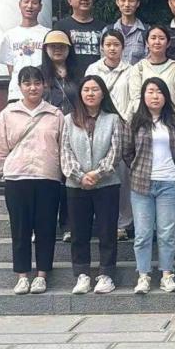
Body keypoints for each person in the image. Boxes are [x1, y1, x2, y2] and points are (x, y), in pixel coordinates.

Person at [0, 66, 64, 295]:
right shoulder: (8, 114)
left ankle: (42, 275)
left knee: (46, 228)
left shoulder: (55, 115)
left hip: (47, 178)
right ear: (19, 86)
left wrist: (59, 171)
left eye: (37, 83)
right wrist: (8, 168)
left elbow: (64, 147)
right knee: (20, 229)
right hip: (17, 178)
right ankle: (22, 275)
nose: (33, 88)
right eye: (27, 83)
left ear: (44, 85)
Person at [122, 77, 175, 294]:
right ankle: (143, 275)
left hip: (167, 182)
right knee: (142, 233)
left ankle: (167, 275)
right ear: (143, 96)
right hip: (141, 184)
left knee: (166, 232)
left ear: (166, 96)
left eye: (159, 92)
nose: (155, 96)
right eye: (150, 91)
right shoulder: (135, 121)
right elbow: (127, 151)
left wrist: (172, 169)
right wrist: (138, 168)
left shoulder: (174, 121)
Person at [61, 75, 122, 295]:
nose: (90, 93)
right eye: (86, 89)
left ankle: (106, 274)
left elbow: (115, 151)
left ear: (103, 93)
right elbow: (65, 151)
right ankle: (82, 274)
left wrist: (97, 174)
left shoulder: (113, 119)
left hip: (107, 185)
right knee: (79, 232)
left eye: (95, 89)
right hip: (76, 186)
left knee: (107, 231)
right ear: (80, 94)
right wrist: (79, 176)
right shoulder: (68, 120)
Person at [85, 30, 133, 241]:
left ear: (123, 47)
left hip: (123, 127)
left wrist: (125, 120)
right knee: (97, 171)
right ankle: (100, 221)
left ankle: (123, 223)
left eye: (116, 44)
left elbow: (135, 98)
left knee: (122, 176)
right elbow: (86, 94)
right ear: (102, 47)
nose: (112, 48)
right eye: (108, 44)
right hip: (97, 127)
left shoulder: (131, 70)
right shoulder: (92, 69)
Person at [41, 30, 78, 242]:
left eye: (62, 46)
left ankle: (68, 225)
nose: (57, 49)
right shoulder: (40, 75)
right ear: (45, 49)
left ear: (69, 49)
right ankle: (44, 225)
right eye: (53, 46)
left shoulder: (77, 74)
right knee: (48, 181)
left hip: (72, 132)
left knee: (69, 180)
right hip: (47, 133)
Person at [0, 0, 49, 103]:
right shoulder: (9, 35)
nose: (29, 6)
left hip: (41, 93)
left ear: (40, 7)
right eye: (26, 2)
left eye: (34, 3)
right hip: (16, 93)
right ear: (20, 4)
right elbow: (11, 68)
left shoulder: (48, 34)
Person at [53, 0, 106, 78]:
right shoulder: (60, 27)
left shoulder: (103, 27)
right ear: (70, 0)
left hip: (97, 81)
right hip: (70, 81)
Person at [128, 25, 175, 115]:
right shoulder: (139, 68)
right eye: (153, 38)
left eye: (161, 38)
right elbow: (135, 98)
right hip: (145, 119)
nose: (157, 42)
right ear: (147, 43)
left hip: (171, 119)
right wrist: (147, 118)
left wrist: (174, 118)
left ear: (168, 43)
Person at [107, 0, 148, 65]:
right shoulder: (108, 30)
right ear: (117, 2)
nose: (127, 4)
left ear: (138, 3)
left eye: (131, 0)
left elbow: (148, 61)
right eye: (123, 0)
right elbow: (103, 61)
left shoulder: (146, 31)